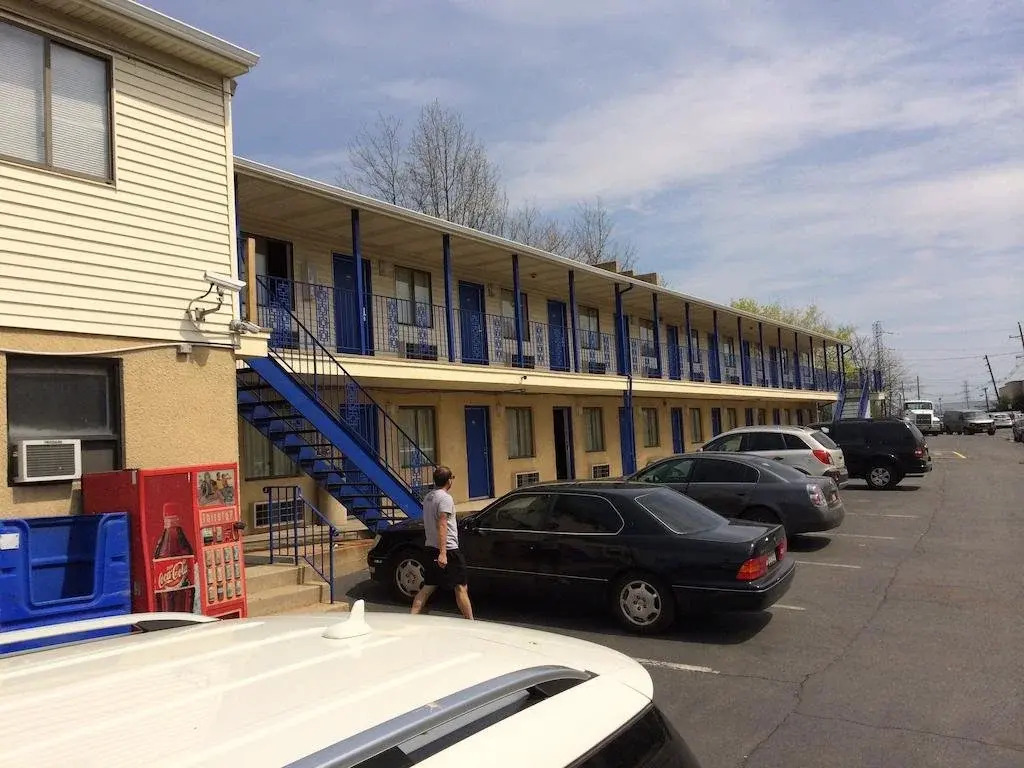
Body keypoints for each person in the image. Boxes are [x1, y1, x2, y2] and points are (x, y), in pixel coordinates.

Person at [411, 465, 474, 620]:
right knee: (461, 586)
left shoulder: (429, 497)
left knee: (428, 587)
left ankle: (411, 619)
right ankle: (471, 623)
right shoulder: (445, 498)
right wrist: (443, 553)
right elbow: (442, 524)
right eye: (452, 478)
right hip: (448, 549)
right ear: (448, 481)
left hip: (430, 547)